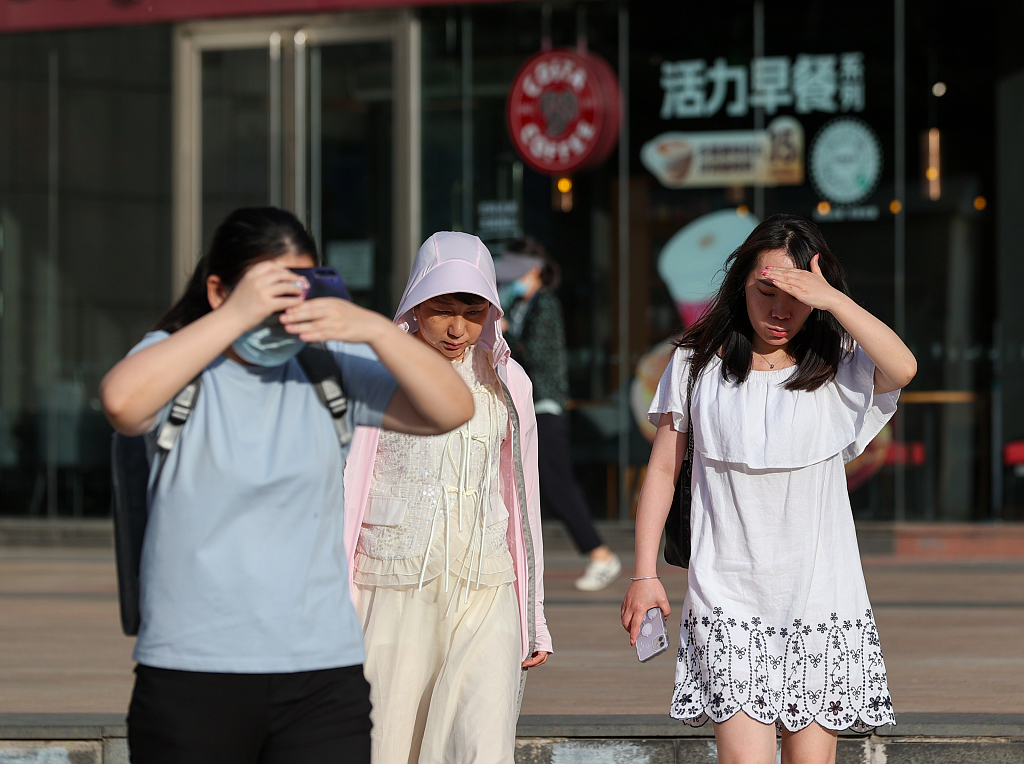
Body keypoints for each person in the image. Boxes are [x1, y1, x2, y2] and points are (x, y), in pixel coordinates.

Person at [100, 207, 473, 764]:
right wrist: (232, 316)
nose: (280, 310)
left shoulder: (326, 364)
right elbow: (122, 403)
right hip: (191, 673)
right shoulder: (176, 359)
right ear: (217, 289)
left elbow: (450, 407)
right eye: (266, 291)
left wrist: (371, 327)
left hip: (320, 678)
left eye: (295, 288)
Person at [621, 214, 916, 764]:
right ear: (741, 283)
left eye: (798, 297)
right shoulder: (694, 364)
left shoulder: (837, 364)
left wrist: (833, 300)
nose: (781, 310)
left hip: (819, 595)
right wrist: (644, 574)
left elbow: (902, 366)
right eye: (767, 291)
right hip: (727, 592)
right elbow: (661, 471)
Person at [344, 231, 552, 764]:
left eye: (474, 310)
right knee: (387, 744)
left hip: (486, 586)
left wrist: (535, 616)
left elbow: (523, 497)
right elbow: (347, 487)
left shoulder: (508, 382)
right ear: (416, 303)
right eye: (442, 310)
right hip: (392, 586)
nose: (458, 328)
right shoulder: (377, 374)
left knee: (482, 743)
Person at [495, 237, 622, 592]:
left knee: (555, 483)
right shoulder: (524, 303)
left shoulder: (544, 304)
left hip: (544, 405)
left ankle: (600, 553)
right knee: (533, 484)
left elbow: (537, 354)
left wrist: (506, 335)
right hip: (529, 407)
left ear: (533, 270)